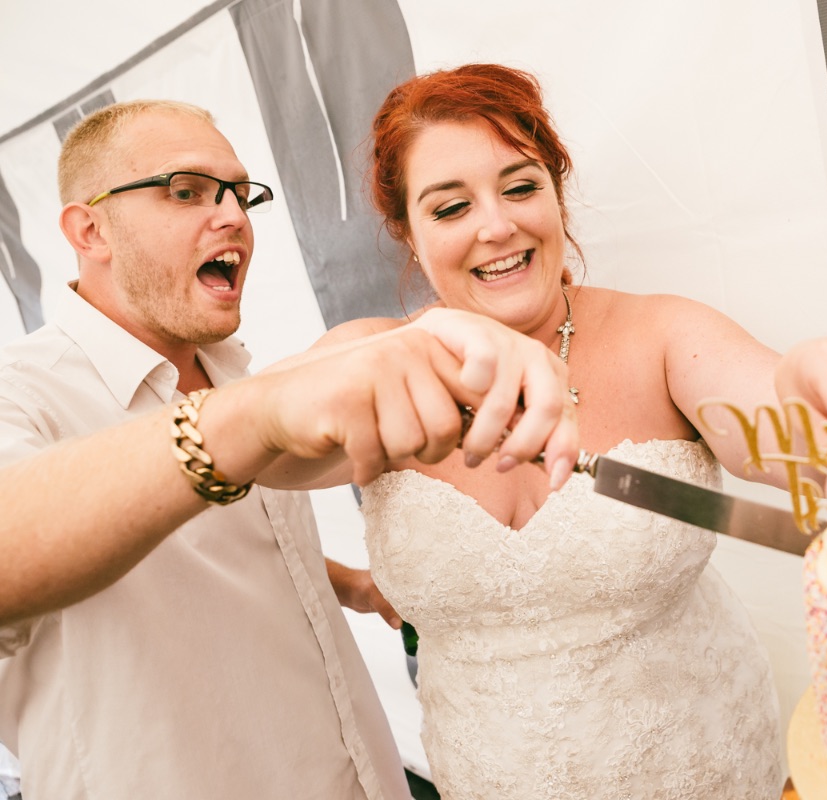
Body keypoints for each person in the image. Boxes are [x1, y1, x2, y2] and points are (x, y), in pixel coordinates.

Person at [309, 64, 827, 799]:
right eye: (450, 207)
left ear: (557, 194)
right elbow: (258, 470)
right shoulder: (369, 359)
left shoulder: (661, 335)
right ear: (408, 233)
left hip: (709, 768)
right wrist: (351, 583)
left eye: (521, 187)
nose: (496, 226)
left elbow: (785, 427)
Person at [0, 99, 579, 799]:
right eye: (186, 191)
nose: (232, 216)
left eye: (239, 193)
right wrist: (248, 420)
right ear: (90, 229)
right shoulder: (21, 391)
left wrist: (351, 585)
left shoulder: (231, 369)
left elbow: (215, 547)